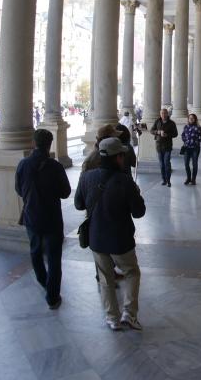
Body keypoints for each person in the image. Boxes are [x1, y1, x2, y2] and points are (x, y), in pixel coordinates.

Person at [75, 137, 146, 331]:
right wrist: (136, 194)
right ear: (118, 158)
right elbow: (139, 212)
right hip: (120, 240)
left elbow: (78, 204)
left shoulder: (86, 177)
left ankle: (112, 318)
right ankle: (129, 314)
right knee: (131, 272)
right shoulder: (124, 181)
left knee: (106, 278)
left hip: (96, 239)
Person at [15, 129, 71, 309]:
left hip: (31, 215)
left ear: (34, 143)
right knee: (54, 257)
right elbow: (66, 192)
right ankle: (52, 297)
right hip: (52, 217)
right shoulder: (55, 166)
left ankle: (43, 281)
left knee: (35, 251)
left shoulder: (23, 165)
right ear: (50, 144)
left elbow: (18, 188)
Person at [150, 108, 178, 186]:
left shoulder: (172, 123)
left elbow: (175, 134)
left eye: (165, 113)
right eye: (162, 113)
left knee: (167, 163)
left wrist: (167, 135)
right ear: (160, 114)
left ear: (167, 114)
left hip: (168, 146)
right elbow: (151, 130)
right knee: (161, 164)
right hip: (159, 146)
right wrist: (157, 132)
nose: (163, 115)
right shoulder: (157, 121)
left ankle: (168, 180)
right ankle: (164, 180)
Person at [181, 113, 201, 185]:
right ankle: (188, 178)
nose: (191, 119)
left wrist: (197, 140)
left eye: (193, 118)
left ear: (195, 119)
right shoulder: (186, 127)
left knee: (194, 164)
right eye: (190, 118)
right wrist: (186, 141)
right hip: (187, 148)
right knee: (186, 164)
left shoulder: (198, 127)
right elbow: (183, 135)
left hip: (195, 148)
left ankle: (193, 179)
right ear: (188, 119)